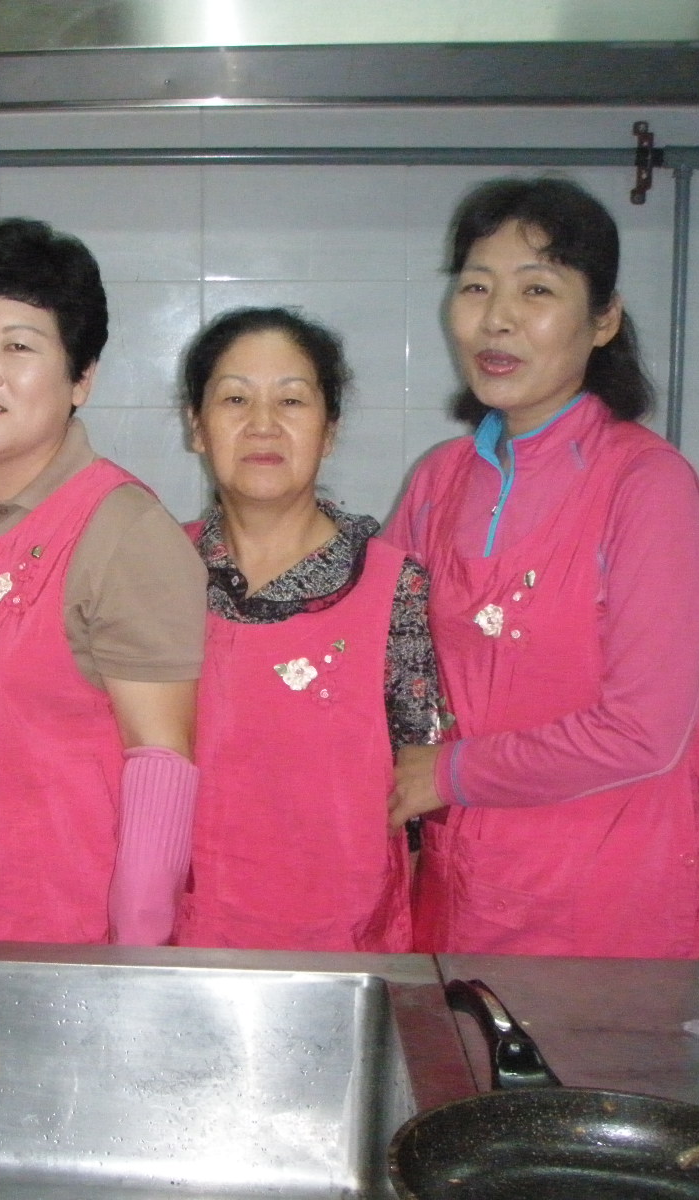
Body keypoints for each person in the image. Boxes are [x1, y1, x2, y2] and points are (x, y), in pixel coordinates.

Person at [383, 176, 699, 958]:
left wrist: (448, 774)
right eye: (476, 286)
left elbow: (642, 732)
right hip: (467, 886)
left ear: (604, 319)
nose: (496, 318)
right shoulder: (440, 481)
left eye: (536, 289)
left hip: (612, 902)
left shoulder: (648, 487)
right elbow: (376, 647)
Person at [0, 217, 206, 945]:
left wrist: (133, 958)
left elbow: (161, 762)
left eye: (19, 347)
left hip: (66, 941)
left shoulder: (123, 532)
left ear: (81, 379)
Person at [173, 307, 439, 952]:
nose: (263, 424)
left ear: (329, 431)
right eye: (235, 399)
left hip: (343, 944)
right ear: (197, 427)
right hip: (181, 937)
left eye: (292, 400)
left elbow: (420, 791)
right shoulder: (156, 569)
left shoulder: (392, 586)